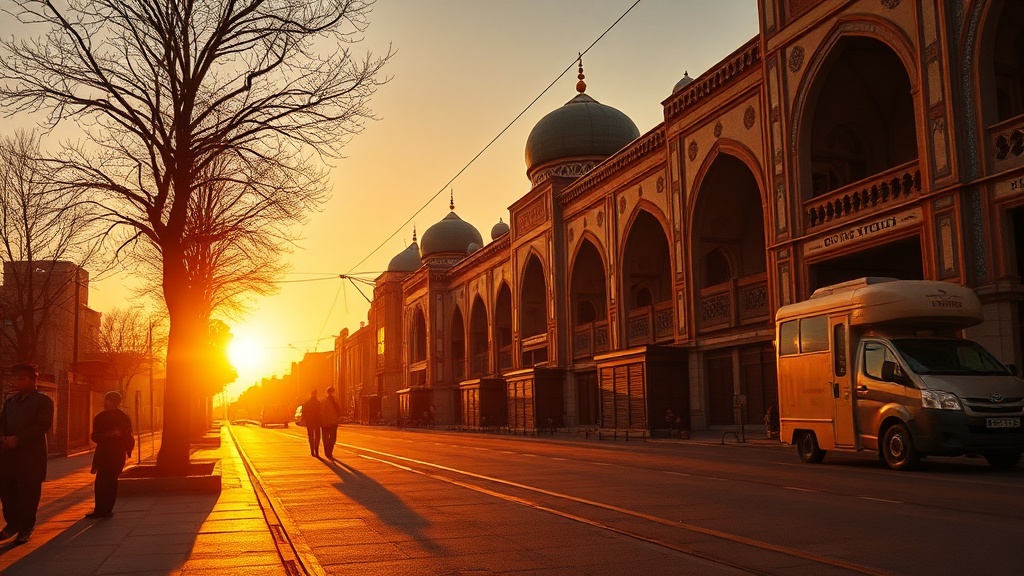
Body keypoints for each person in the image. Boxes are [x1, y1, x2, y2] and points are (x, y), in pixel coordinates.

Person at [0, 364, 55, 544]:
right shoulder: (11, 402)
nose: (17, 382)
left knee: (28, 494)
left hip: (31, 458)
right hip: (8, 457)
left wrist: (19, 439)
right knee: (7, 492)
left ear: (34, 380)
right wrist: (4, 438)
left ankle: (25, 528)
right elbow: (2, 422)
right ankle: (12, 524)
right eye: (16, 378)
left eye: (22, 378)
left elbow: (42, 426)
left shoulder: (43, 401)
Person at [87, 391, 134, 518]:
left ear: (115, 402)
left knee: (111, 480)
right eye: (106, 399)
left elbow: (123, 433)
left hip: (116, 452)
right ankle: (100, 508)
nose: (105, 402)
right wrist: (109, 435)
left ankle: (107, 509)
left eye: (109, 399)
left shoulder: (122, 416)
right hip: (103, 453)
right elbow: (95, 436)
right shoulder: (100, 417)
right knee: (101, 481)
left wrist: (111, 435)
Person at [320, 387, 342, 461]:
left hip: (330, 422)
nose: (333, 393)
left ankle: (329, 452)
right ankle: (328, 452)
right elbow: (322, 412)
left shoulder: (333, 400)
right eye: (332, 392)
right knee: (328, 438)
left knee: (330, 438)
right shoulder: (327, 400)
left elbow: (338, 410)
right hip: (328, 422)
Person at [301, 389, 322, 457]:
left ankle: (312, 450)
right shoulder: (318, 403)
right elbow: (320, 413)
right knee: (317, 436)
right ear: (316, 394)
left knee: (310, 436)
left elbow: (303, 413)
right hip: (317, 421)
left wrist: (303, 420)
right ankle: (316, 450)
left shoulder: (306, 403)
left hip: (309, 422)